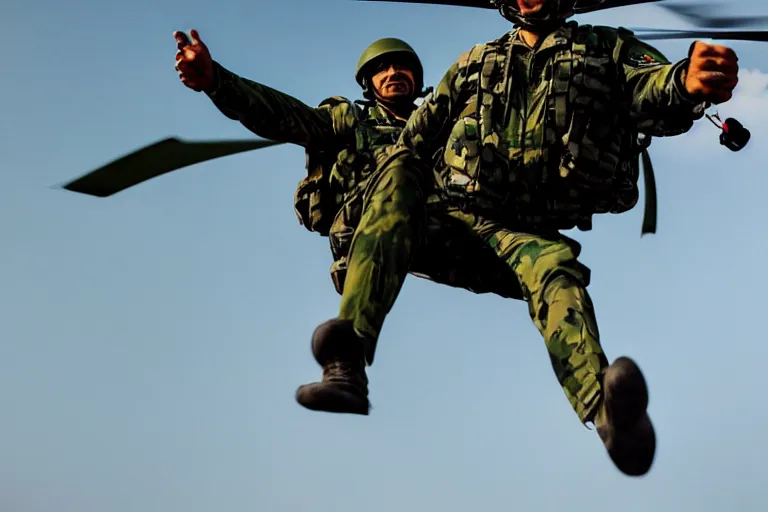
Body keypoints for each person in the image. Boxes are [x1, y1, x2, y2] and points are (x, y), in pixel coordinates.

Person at [353, 0, 740, 476]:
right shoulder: (474, 62)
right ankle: (348, 353)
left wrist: (686, 83)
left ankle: (610, 417)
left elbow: (650, 89)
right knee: (399, 171)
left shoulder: (605, 47)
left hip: (525, 233)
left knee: (558, 274)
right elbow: (412, 143)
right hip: (455, 223)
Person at [173, 30, 517, 416]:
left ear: (419, 81)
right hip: (375, 226)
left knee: (551, 266)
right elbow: (283, 115)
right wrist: (217, 82)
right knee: (401, 166)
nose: (392, 72)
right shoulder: (348, 121)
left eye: (401, 66)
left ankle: (597, 396)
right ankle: (346, 363)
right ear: (368, 84)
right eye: (381, 68)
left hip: (452, 233)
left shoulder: (445, 127)